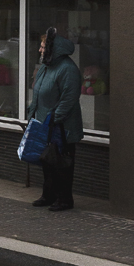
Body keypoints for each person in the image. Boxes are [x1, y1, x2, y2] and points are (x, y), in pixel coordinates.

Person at [27, 27, 83, 211]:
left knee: (62, 163)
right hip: (45, 123)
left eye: (43, 47)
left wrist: (55, 118)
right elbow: (38, 91)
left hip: (62, 127)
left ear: (53, 49)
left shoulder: (68, 69)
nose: (40, 50)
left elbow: (69, 97)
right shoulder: (45, 67)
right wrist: (32, 111)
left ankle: (64, 199)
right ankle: (48, 195)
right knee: (47, 161)